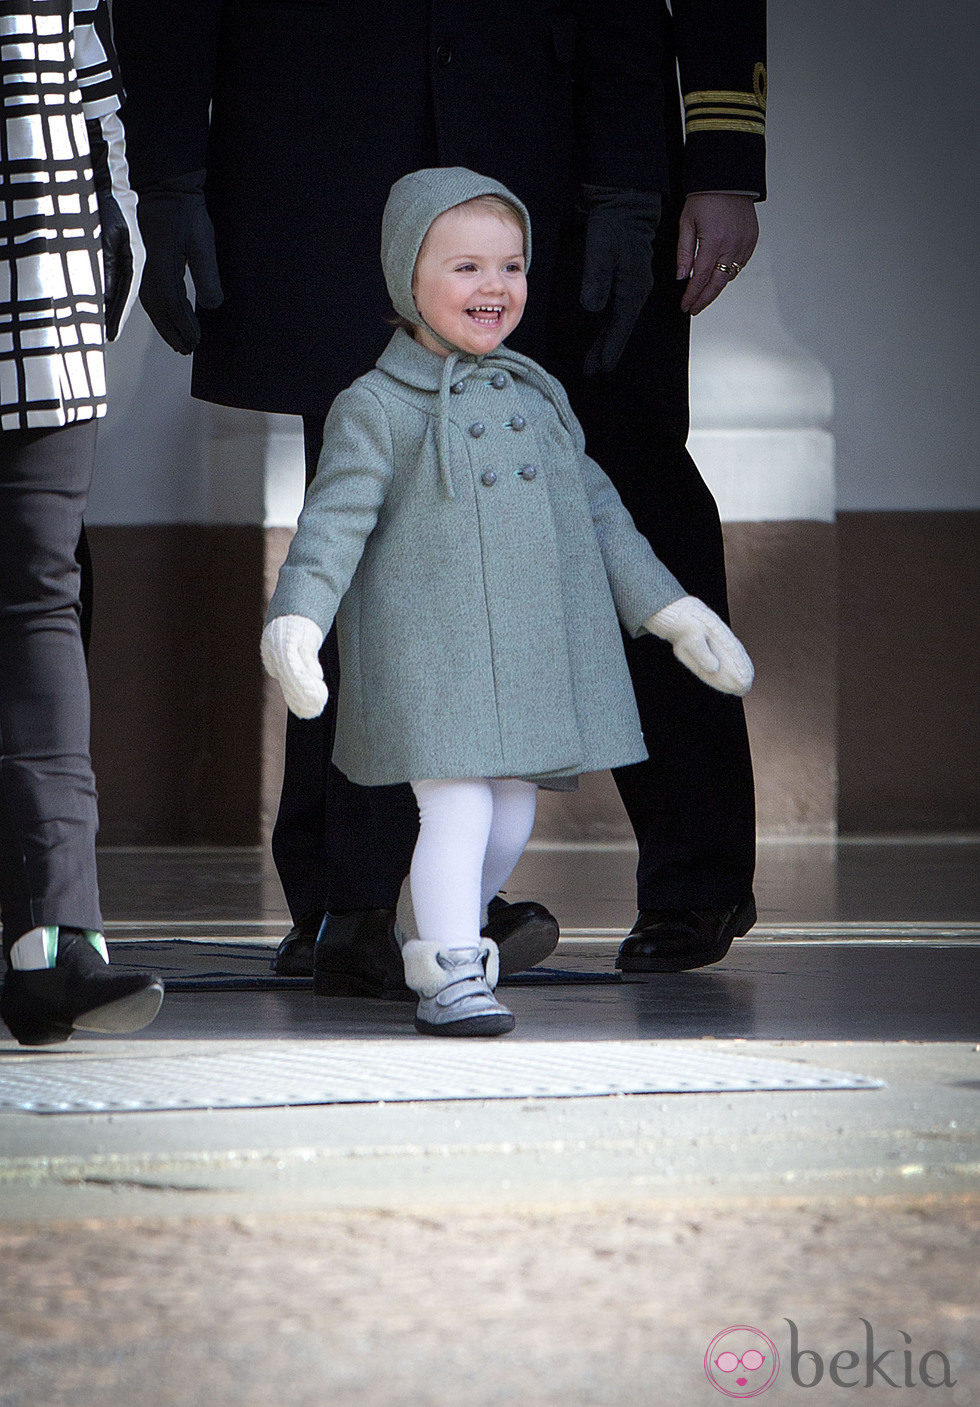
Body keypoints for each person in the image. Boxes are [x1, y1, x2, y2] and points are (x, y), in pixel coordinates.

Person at [112, 1, 766, 985]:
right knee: (370, 518)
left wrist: (678, 171)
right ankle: (359, 900)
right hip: (331, 147)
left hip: (563, 136)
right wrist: (166, 172)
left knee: (630, 490)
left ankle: (695, 870)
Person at [261, 167, 754, 1036]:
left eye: (511, 266)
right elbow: (329, 527)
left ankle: (445, 922)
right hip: (430, 657)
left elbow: (603, 519)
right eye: (465, 268)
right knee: (458, 803)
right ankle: (450, 969)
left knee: (512, 807)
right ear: (405, 275)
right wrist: (296, 621)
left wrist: (673, 611)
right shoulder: (376, 406)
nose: (494, 287)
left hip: (521, 659)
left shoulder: (541, 397)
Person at [0, 0, 164, 1046]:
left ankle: (59, 941)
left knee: (37, 603)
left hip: (41, 278)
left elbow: (97, 72)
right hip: (45, 274)